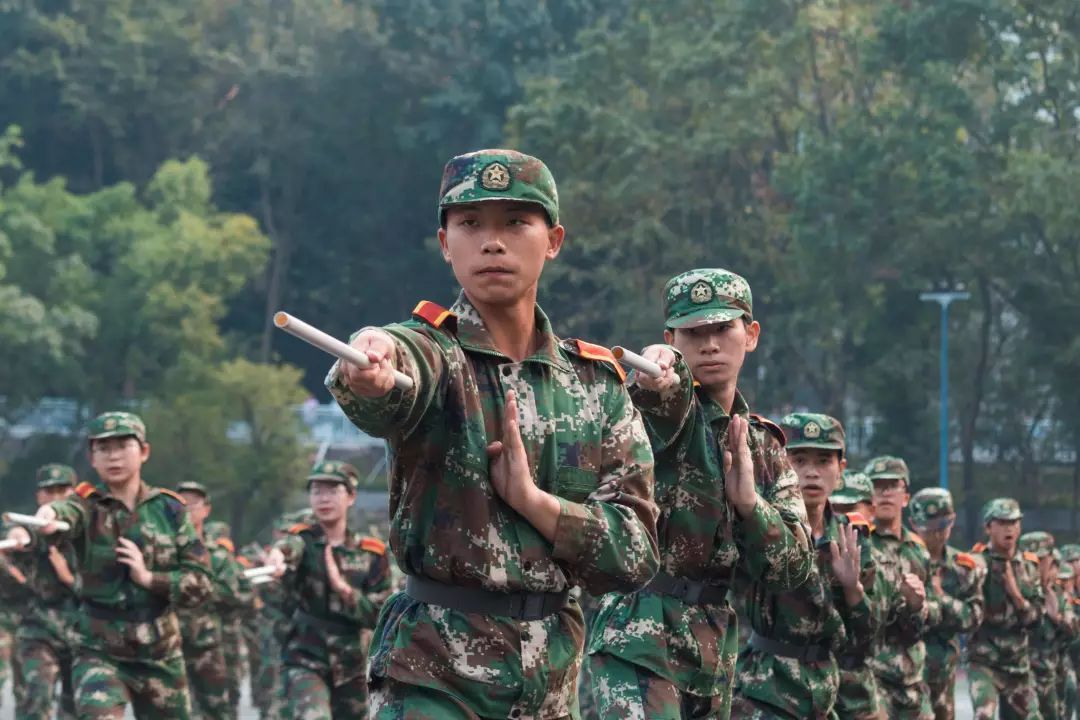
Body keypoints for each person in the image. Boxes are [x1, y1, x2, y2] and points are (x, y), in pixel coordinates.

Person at [327, 148, 660, 719]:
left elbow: (632, 555)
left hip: (551, 680)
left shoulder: (596, 385)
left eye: (515, 222)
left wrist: (536, 504)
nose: (492, 242)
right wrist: (373, 360)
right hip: (434, 672)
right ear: (444, 243)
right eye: (471, 224)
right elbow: (395, 367)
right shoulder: (437, 352)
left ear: (552, 240)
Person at [585, 268, 812, 718]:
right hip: (640, 633)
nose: (708, 344)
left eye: (722, 329)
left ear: (750, 334)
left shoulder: (763, 445)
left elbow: (793, 567)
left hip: (714, 647)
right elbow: (661, 398)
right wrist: (659, 367)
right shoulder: (662, 408)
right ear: (673, 338)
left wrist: (750, 506)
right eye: (692, 333)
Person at [5, 411, 213, 719]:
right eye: (103, 449)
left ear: (143, 452)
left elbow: (201, 585)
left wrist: (148, 578)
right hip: (99, 651)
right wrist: (46, 518)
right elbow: (62, 514)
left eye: (122, 446)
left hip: (160, 654)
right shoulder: (85, 506)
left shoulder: (170, 510)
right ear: (92, 457)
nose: (113, 457)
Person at [730, 413, 874, 719]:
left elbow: (865, 642)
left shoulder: (853, 538)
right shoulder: (759, 523)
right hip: (765, 690)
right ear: (780, 465)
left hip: (826, 694)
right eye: (799, 460)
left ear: (841, 470)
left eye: (824, 461)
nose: (811, 473)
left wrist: (853, 590)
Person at [267, 461, 393, 719]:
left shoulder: (372, 552)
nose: (323, 498)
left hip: (353, 666)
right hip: (305, 658)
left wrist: (344, 590)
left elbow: (382, 615)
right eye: (316, 491)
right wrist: (278, 555)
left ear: (351, 496)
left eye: (332, 490)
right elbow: (289, 548)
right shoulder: (304, 539)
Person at [864, 456, 934, 720]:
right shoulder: (860, 542)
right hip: (872, 674)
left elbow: (935, 606)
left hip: (913, 676)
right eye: (877, 485)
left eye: (892, 485)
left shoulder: (918, 551)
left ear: (905, 497)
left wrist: (920, 605)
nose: (884, 492)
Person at [9, 464, 80, 720]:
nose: (54, 498)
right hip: (39, 629)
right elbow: (23, 534)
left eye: (61, 491)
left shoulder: (88, 533)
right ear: (39, 497)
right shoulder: (36, 532)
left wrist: (68, 577)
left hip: (82, 632)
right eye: (48, 492)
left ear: (73, 494)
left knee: (76, 706)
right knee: (36, 696)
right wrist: (16, 534)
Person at [908, 488, 985, 720]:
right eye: (929, 529)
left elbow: (974, 617)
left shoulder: (962, 567)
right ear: (913, 524)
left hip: (942, 671)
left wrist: (942, 598)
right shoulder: (903, 559)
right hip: (905, 669)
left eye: (942, 527)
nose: (937, 535)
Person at [968, 498, 1043, 720]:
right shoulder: (976, 564)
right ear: (988, 528)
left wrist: (1015, 593)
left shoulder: (1029, 567)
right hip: (984, 662)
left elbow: (1036, 620)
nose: (1008, 528)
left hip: (1017, 665)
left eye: (1013, 523)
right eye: (1001, 523)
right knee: (984, 715)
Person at [174, 481, 242, 720]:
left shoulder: (218, 554)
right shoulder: (163, 553)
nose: (188, 508)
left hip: (209, 643)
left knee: (216, 709)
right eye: (182, 503)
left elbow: (231, 594)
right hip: (170, 643)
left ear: (206, 509)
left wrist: (188, 587)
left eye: (194, 503)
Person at [829, 470, 886, 720]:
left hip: (857, 692)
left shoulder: (878, 560)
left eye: (850, 508)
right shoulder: (815, 548)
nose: (842, 517)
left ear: (871, 512)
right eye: (835, 507)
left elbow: (874, 631)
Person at [204, 520, 253, 718]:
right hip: (203, 633)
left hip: (229, 632)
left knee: (231, 682)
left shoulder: (234, 565)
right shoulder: (201, 558)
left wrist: (233, 598)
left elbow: (246, 594)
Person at [1018, 532, 1069, 720]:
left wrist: (1057, 616)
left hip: (1050, 676)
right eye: (1030, 561)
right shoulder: (1018, 589)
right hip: (1021, 675)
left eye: (1041, 560)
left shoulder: (1057, 593)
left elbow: (1073, 634)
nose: (1036, 566)